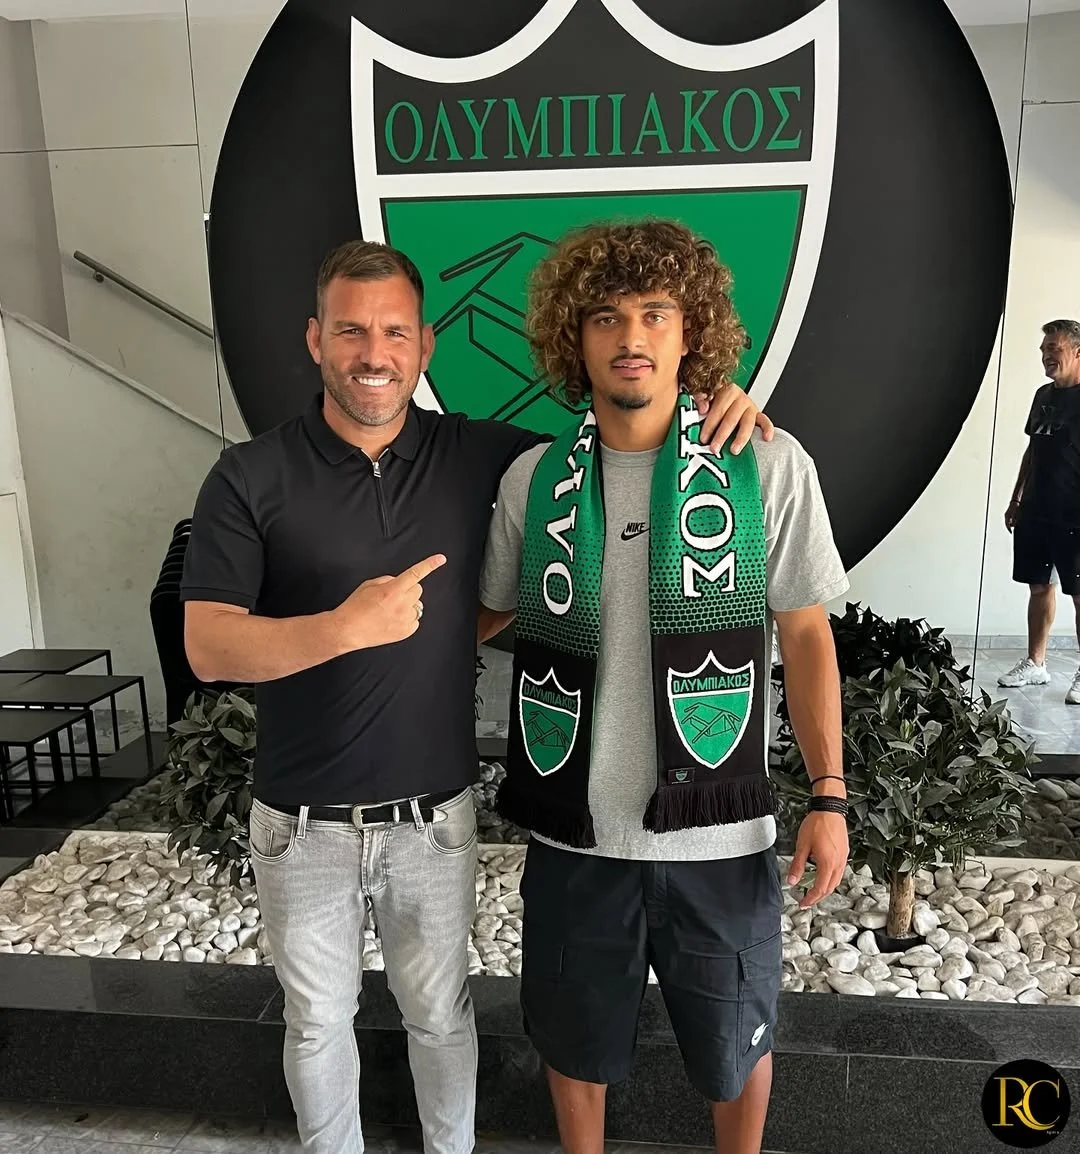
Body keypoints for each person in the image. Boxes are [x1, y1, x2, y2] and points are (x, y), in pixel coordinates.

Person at [180, 238, 771, 1154]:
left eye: (393, 333)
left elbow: (622, 438)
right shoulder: (249, 476)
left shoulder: (491, 462)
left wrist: (715, 405)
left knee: (442, 1019)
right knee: (313, 1024)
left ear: (424, 347)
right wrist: (346, 626)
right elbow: (208, 646)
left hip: (434, 814)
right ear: (314, 341)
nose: (371, 354)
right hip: (298, 820)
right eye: (349, 331)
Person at [479, 220, 850, 1154]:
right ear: (577, 338)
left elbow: (806, 638)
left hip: (720, 838)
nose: (631, 336)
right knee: (573, 1042)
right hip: (578, 831)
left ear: (695, 334)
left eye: (655, 313)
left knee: (736, 1044)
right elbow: (482, 616)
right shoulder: (535, 482)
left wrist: (831, 795)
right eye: (605, 317)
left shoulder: (765, 465)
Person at [1001, 319, 1080, 703]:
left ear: (1077, 352)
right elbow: (1033, 450)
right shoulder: (1042, 395)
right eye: (1044, 349)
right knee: (1038, 585)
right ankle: (1036, 663)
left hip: (1075, 513)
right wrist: (1017, 498)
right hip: (1036, 508)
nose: (1047, 356)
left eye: (1055, 348)